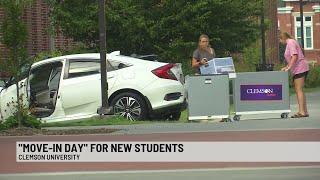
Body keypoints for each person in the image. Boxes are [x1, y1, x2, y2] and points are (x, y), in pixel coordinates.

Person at [280, 32, 309, 118]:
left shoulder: (290, 42)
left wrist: (288, 67)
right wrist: (287, 66)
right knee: (300, 90)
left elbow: (295, 56)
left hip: (300, 68)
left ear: (282, 38)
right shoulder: (291, 42)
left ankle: (302, 112)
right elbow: (292, 58)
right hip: (299, 68)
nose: (280, 42)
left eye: (280, 39)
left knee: (298, 89)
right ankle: (304, 111)